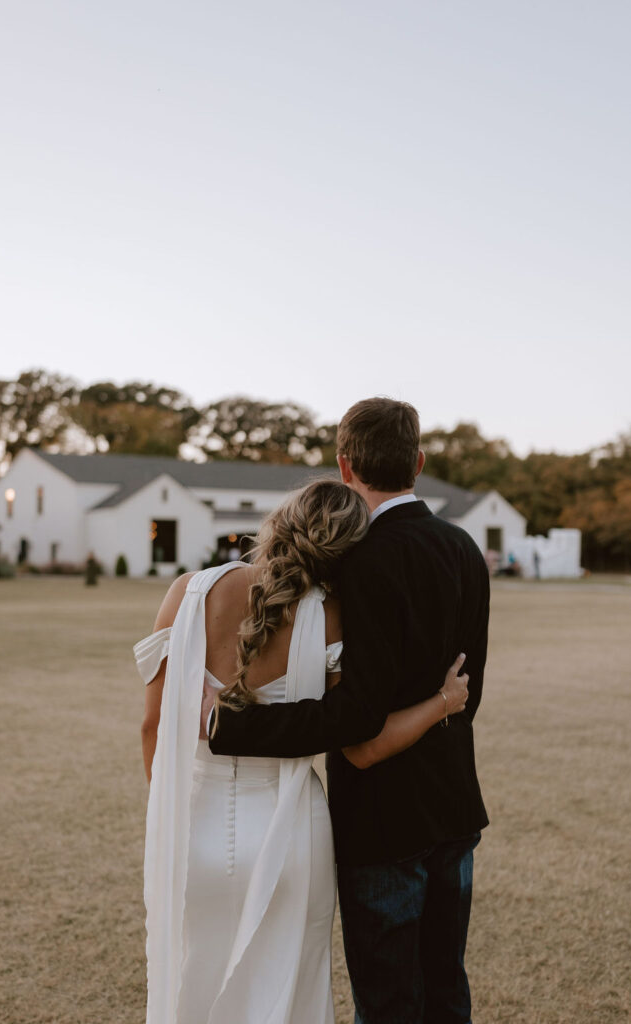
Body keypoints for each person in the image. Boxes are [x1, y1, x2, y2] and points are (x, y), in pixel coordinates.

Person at [134, 477, 470, 1024]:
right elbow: (362, 744)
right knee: (286, 992)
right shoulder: (334, 617)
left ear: (277, 521)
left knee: (195, 981)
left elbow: (153, 726)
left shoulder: (187, 592)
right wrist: (442, 701)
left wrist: (173, 813)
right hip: (292, 834)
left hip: (195, 824)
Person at [206, 397, 490, 1024]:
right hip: (455, 807)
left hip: (385, 821)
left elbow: (355, 719)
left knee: (388, 1005)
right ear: (417, 462)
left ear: (344, 466)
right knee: (447, 993)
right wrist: (441, 704)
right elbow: (468, 691)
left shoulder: (358, 559)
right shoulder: (466, 548)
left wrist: (234, 726)